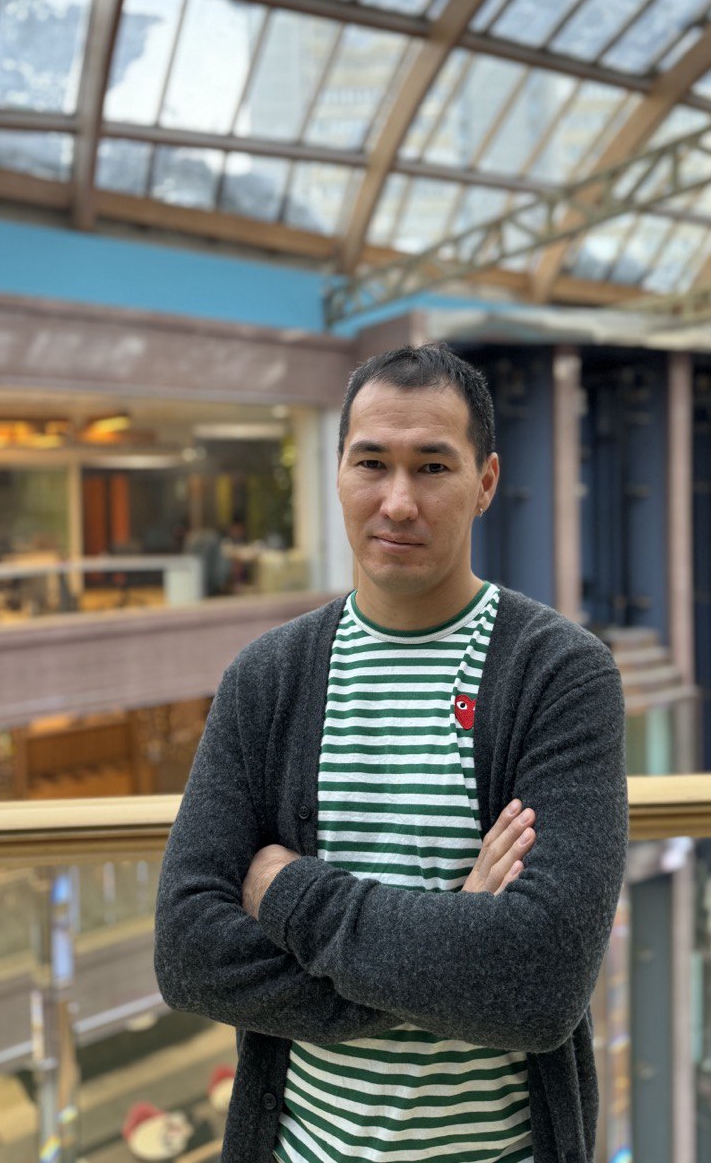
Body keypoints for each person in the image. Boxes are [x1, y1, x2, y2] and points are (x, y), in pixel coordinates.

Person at [154, 343, 628, 1163]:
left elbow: (542, 983)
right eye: (371, 463)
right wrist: (456, 957)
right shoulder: (267, 680)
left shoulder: (559, 674)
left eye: (432, 467)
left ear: (485, 482)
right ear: (338, 472)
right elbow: (190, 954)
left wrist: (290, 894)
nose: (398, 502)